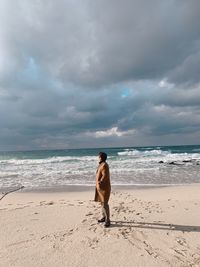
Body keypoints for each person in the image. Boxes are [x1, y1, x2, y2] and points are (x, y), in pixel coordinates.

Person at [94, 152, 111, 227]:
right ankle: (104, 217)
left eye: (99, 157)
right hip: (100, 187)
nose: (98, 158)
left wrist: (100, 182)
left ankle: (108, 220)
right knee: (102, 203)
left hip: (104, 188)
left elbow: (105, 175)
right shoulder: (101, 164)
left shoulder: (104, 165)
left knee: (105, 204)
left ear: (102, 157)